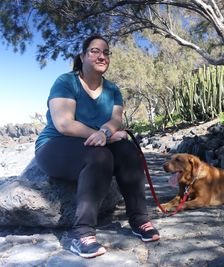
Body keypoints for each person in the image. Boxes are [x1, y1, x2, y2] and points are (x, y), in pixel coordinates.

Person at [35, 35, 160, 259]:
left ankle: (139, 220)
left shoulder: (112, 90)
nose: (101, 56)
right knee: (99, 156)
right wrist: (103, 136)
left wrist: (105, 134)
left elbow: (114, 121)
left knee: (128, 151)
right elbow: (64, 124)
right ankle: (81, 234)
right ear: (82, 56)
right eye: (94, 51)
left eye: (105, 52)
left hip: (96, 142)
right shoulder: (66, 82)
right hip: (55, 145)